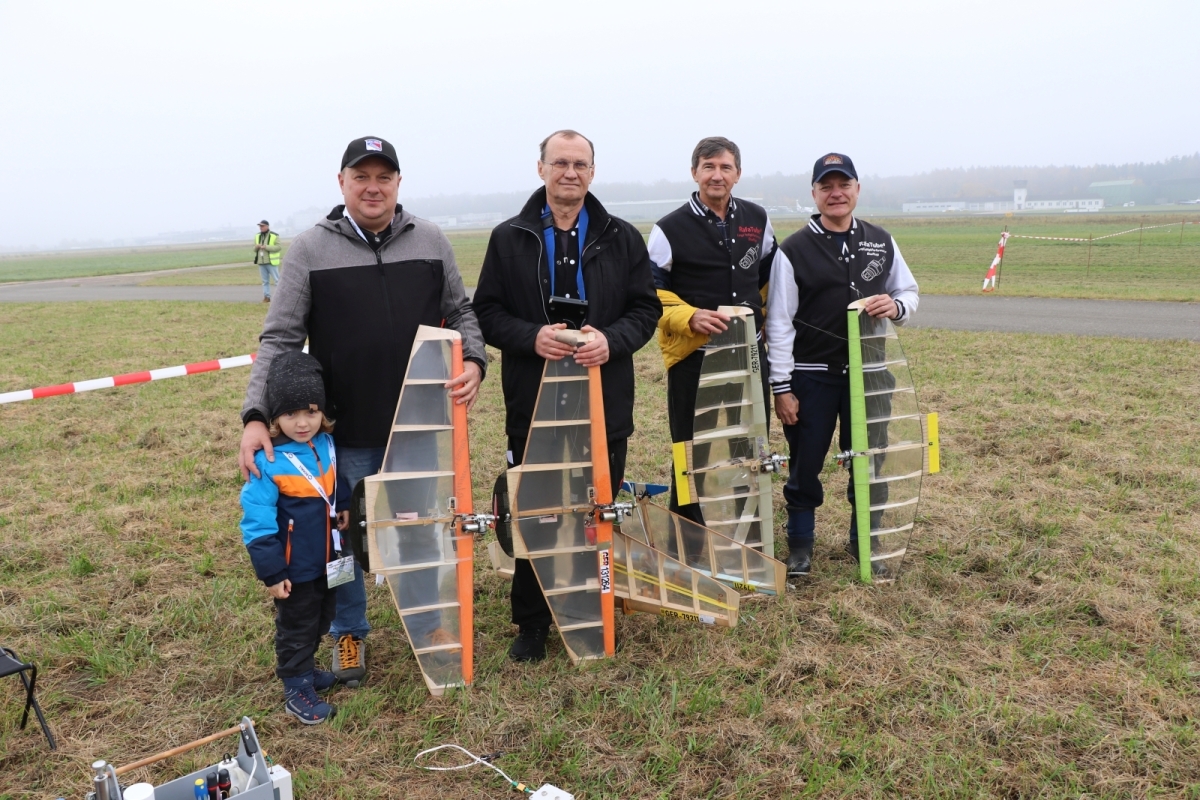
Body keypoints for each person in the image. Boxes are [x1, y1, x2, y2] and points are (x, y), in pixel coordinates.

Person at [238, 136, 486, 688]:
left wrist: (474, 358)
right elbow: (280, 338)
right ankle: (348, 632)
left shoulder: (430, 239)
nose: (373, 187)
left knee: (423, 527)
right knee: (343, 538)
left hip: (422, 426)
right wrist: (256, 415)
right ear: (342, 182)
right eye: (361, 177)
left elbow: (460, 310)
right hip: (342, 435)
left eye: (384, 177)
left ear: (398, 182)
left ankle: (431, 620)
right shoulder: (309, 249)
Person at [473, 129, 661, 662]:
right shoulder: (508, 237)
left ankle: (588, 610)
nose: (570, 172)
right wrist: (531, 337)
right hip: (532, 403)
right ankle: (532, 622)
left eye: (580, 164)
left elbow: (645, 310)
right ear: (541, 169)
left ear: (592, 172)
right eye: (560, 163)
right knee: (535, 510)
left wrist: (611, 340)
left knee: (595, 509)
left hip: (604, 403)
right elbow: (486, 312)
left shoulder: (622, 237)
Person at [764, 153, 919, 577]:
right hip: (811, 378)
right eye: (827, 186)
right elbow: (779, 323)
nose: (836, 193)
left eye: (844, 185)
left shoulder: (880, 240)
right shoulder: (793, 250)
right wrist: (782, 387)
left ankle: (865, 543)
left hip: (869, 376)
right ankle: (800, 549)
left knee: (870, 461)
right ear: (814, 193)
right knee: (804, 465)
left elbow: (908, 292)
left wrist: (897, 306)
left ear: (857, 189)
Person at [646, 136, 777, 525]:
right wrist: (689, 317)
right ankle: (687, 530)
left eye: (725, 167)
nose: (717, 175)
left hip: (748, 355)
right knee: (690, 451)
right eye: (708, 167)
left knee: (749, 445)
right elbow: (649, 294)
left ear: (738, 173)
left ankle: (749, 527)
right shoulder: (668, 229)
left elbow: (770, 279)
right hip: (694, 359)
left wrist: (763, 321)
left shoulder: (758, 219)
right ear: (694, 173)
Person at [240, 351, 341, 724]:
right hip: (293, 567)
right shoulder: (267, 462)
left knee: (322, 617)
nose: (302, 423)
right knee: (296, 626)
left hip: (328, 560)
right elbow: (257, 523)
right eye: (290, 414)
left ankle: (306, 669)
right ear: (274, 418)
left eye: (311, 413)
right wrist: (272, 571)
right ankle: (296, 688)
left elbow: (335, 484)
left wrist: (344, 504)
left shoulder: (325, 444)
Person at [253, 220, 282, 303]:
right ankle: (266, 297)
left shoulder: (274, 235)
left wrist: (266, 247)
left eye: (262, 226)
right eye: (260, 226)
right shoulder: (257, 236)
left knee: (277, 280)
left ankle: (280, 297)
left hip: (271, 262)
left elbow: (278, 247)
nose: (261, 228)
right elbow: (254, 249)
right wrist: (257, 247)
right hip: (261, 262)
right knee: (265, 281)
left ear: (267, 226)